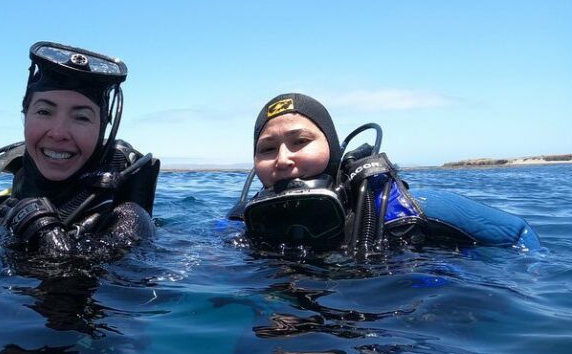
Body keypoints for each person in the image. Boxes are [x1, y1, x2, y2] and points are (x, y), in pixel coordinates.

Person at [0, 41, 159, 256]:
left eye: (82, 117)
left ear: (102, 130)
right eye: (44, 112)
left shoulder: (127, 219)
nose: (59, 133)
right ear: (25, 117)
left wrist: (51, 243)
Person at [228, 92, 540, 254]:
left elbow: (519, 234)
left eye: (300, 142)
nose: (283, 159)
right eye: (267, 149)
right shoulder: (244, 223)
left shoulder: (406, 211)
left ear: (334, 150)